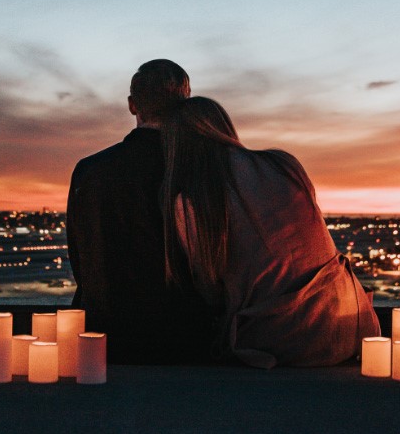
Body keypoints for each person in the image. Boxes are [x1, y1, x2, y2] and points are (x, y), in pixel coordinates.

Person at [160, 96, 380, 368]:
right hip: (351, 324)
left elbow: (209, 289)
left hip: (280, 341)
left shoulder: (192, 201)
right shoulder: (283, 164)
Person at [66, 60, 214, 364]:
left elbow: (82, 262)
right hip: (182, 340)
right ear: (186, 103)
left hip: (103, 337)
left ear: (133, 105)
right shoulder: (201, 170)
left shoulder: (89, 171)